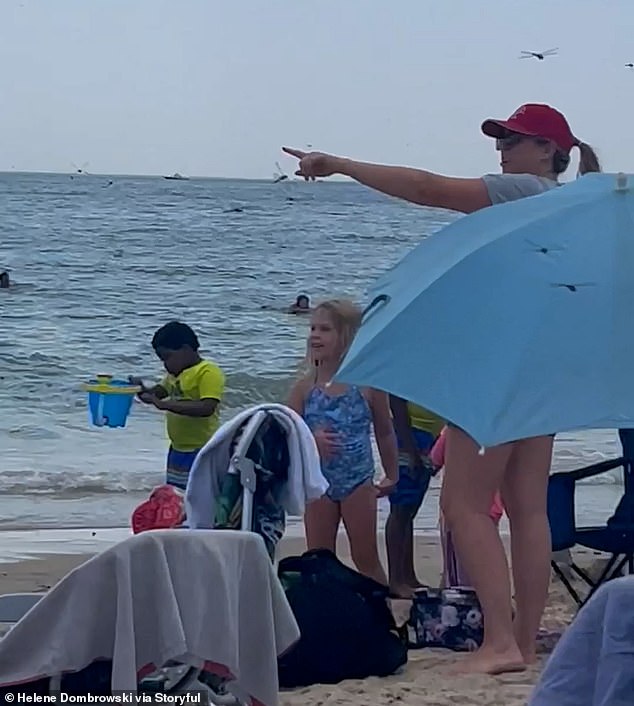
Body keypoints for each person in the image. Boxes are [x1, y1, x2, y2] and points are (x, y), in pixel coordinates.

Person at [283, 103, 601, 674]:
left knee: (463, 506)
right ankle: (521, 645)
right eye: (501, 138)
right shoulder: (565, 204)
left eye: (515, 138)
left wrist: (340, 164)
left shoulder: (525, 190)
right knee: (530, 510)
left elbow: (427, 188)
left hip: (497, 369)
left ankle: (501, 642)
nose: (502, 147)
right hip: (538, 368)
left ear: (550, 151)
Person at [287, 299, 398, 585]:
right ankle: (325, 617)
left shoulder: (367, 386)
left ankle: (382, 617)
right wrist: (311, 441)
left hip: (357, 481)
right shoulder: (304, 388)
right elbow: (289, 436)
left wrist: (393, 473)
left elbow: (385, 431)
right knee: (319, 558)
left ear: (347, 338)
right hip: (317, 483)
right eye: (312, 328)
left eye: (324, 329)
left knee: (366, 558)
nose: (314, 335)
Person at [132, 321, 225, 490]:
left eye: (167, 357)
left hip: (202, 448)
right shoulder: (174, 376)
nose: (165, 365)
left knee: (199, 494)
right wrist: (141, 389)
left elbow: (207, 407)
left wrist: (165, 405)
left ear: (186, 349)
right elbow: (156, 394)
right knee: (177, 494)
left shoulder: (207, 371)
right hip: (177, 448)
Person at [430, 427, 505, 588]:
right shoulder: (503, 430)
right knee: (486, 556)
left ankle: (462, 598)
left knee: (458, 564)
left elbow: (434, 462)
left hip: (458, 507)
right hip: (492, 505)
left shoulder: (453, 429)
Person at [385, 396, 443, 597]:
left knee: (409, 510)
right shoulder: (407, 365)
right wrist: (410, 450)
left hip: (428, 435)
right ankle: (396, 579)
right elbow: (396, 401)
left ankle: (407, 575)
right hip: (410, 435)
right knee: (400, 508)